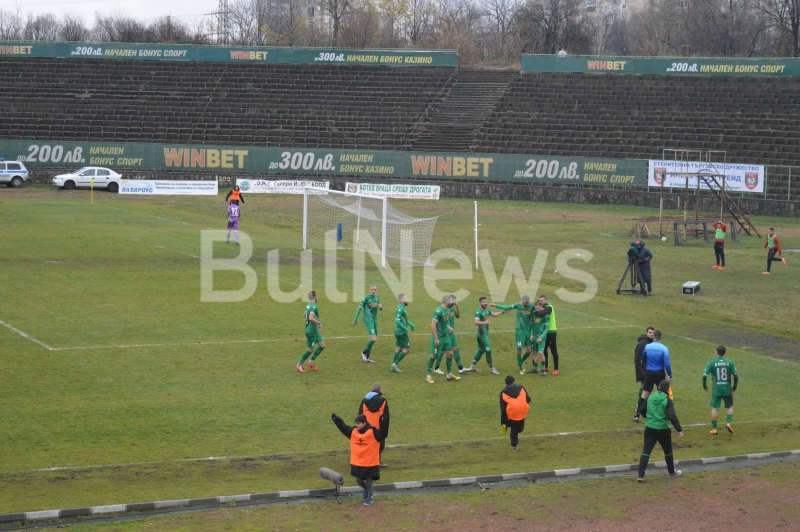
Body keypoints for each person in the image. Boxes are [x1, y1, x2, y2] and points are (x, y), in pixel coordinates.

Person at [331, 412, 386, 506]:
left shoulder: (373, 432)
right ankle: (366, 490)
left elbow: (383, 433)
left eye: (358, 423)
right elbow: (343, 427)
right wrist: (337, 420)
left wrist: (383, 421)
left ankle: (370, 497)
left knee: (369, 480)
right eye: (356, 423)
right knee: (357, 478)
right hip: (358, 462)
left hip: (370, 462)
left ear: (364, 423)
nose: (357, 425)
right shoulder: (353, 431)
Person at [636, 380, 684, 482]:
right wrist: (679, 429)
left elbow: (641, 409)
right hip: (663, 429)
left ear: (658, 387)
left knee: (646, 452)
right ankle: (671, 472)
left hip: (650, 428)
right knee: (668, 451)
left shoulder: (650, 397)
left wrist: (648, 417)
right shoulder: (668, 400)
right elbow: (671, 415)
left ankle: (641, 475)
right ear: (667, 389)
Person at [491, 296, 535, 375]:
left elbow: (540, 305)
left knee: (529, 351)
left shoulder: (531, 307)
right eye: (524, 302)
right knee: (519, 350)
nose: (525, 304)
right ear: (521, 301)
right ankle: (521, 368)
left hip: (528, 331)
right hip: (520, 330)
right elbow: (507, 307)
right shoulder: (518, 305)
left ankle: (520, 361)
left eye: (527, 303)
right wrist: (496, 305)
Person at [635, 330, 671, 422]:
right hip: (659, 372)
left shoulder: (647, 346)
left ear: (653, 337)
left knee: (644, 393)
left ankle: (637, 415)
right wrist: (670, 375)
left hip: (649, 372)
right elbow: (667, 363)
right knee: (663, 393)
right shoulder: (664, 348)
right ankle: (664, 413)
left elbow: (642, 358)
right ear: (661, 337)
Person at [703, 345, 738, 435]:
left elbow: (704, 375)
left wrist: (705, 386)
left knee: (715, 408)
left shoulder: (712, 363)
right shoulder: (730, 362)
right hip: (727, 389)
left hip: (717, 390)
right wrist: (734, 387)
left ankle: (714, 429)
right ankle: (728, 423)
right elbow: (735, 375)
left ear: (716, 352)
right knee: (729, 406)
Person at [427, 296, 459, 383]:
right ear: (447, 302)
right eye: (451, 301)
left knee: (450, 354)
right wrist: (436, 338)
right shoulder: (438, 311)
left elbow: (445, 321)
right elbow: (433, 324)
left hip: (446, 337)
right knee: (434, 356)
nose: (452, 303)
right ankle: (428, 376)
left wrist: (448, 327)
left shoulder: (448, 310)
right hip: (438, 337)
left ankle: (449, 374)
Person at [359, 383, 390, 467]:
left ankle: (367, 461)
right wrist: (385, 432)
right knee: (380, 446)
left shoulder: (364, 401)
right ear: (380, 390)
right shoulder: (383, 401)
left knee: (367, 445)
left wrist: (360, 429)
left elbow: (360, 415)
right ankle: (376, 461)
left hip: (366, 428)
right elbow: (386, 417)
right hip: (378, 429)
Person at [470, 296, 503, 374]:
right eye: (483, 302)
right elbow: (476, 322)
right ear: (480, 303)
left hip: (485, 335)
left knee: (481, 350)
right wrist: (484, 323)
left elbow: (494, 314)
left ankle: (472, 366)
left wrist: (503, 312)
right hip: (481, 335)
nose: (485, 303)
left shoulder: (487, 310)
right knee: (488, 350)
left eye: (486, 302)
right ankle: (492, 368)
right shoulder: (478, 312)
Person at [436, 294, 466, 374]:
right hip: (446, 332)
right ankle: (436, 367)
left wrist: (457, 307)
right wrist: (448, 327)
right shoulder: (445, 310)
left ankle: (460, 368)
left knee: (456, 348)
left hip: (452, 333)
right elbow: (442, 321)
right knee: (443, 351)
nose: (455, 302)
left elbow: (458, 316)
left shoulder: (452, 308)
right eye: (454, 300)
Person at [500, 375, 531, 451]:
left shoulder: (503, 393)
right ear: (514, 381)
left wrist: (503, 422)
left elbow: (503, 408)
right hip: (523, 409)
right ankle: (509, 425)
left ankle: (514, 445)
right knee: (519, 429)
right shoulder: (521, 388)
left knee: (514, 429)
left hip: (512, 411)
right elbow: (528, 399)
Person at [296, 291, 324, 372]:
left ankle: (311, 362)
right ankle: (299, 364)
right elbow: (311, 318)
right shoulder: (314, 307)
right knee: (310, 350)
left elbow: (304, 315)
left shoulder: (308, 305)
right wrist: (318, 323)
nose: (318, 297)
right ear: (314, 297)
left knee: (322, 345)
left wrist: (311, 323)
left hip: (314, 331)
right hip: (311, 332)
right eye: (317, 296)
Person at [353, 285, 382, 363]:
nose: (373, 291)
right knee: (373, 339)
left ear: (376, 290)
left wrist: (380, 307)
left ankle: (367, 357)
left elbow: (379, 307)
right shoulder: (366, 298)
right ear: (369, 290)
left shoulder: (377, 298)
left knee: (371, 339)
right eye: (372, 289)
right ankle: (364, 352)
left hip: (374, 320)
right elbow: (359, 308)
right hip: (368, 320)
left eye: (374, 289)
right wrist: (355, 320)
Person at [634, 327, 655, 414]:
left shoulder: (653, 343)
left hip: (651, 369)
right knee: (644, 387)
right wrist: (641, 372)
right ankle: (639, 405)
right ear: (646, 333)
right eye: (650, 332)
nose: (651, 334)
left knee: (648, 387)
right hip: (644, 369)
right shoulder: (642, 344)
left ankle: (643, 404)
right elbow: (637, 359)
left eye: (653, 333)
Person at [391, 294, 414, 373]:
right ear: (401, 300)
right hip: (401, 332)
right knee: (407, 349)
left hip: (397, 331)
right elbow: (397, 321)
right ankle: (395, 364)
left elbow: (405, 320)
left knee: (399, 348)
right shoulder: (400, 309)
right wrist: (406, 329)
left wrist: (411, 325)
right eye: (406, 298)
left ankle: (393, 366)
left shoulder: (403, 308)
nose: (407, 299)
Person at [537, 295, 559, 375]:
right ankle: (546, 366)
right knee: (544, 349)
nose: (540, 302)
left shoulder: (549, 307)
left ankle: (556, 369)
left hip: (551, 332)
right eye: (540, 301)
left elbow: (543, 314)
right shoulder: (544, 306)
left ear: (546, 300)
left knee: (553, 351)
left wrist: (536, 311)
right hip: (545, 333)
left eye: (542, 301)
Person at [529, 300, 550, 375]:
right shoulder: (534, 314)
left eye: (538, 308)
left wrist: (542, 337)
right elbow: (532, 326)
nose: (537, 310)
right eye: (536, 308)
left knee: (541, 352)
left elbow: (547, 328)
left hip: (541, 337)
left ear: (541, 306)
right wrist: (531, 335)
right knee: (534, 353)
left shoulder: (546, 316)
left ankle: (543, 369)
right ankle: (534, 369)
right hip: (534, 337)